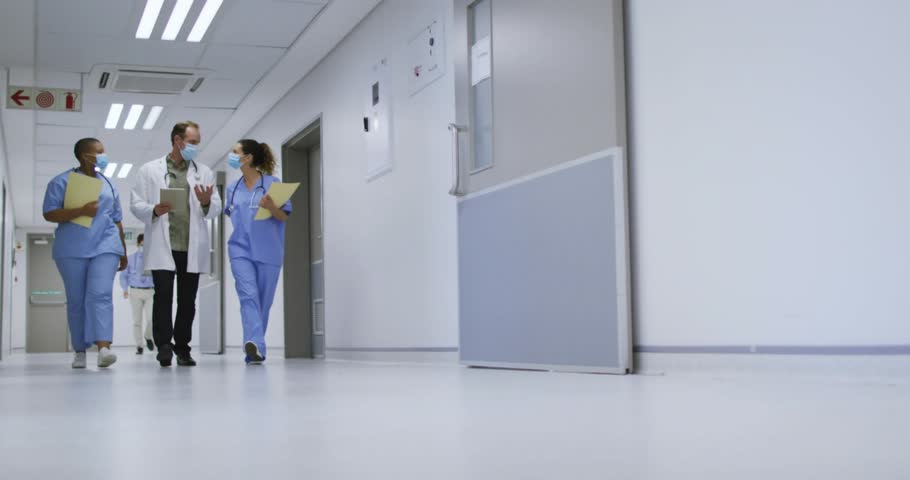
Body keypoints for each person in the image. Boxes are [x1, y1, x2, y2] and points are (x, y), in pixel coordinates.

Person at [130, 121, 222, 367]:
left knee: (187, 301)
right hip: (164, 245)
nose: (195, 147)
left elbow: (215, 207)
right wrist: (154, 209)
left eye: (197, 143)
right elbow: (135, 203)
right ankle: (163, 346)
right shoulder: (149, 170)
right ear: (177, 140)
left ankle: (183, 348)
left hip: (191, 246)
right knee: (163, 298)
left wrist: (205, 202)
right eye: (192, 142)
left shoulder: (204, 172)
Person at [42, 138, 128, 369]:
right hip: (72, 249)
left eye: (103, 152)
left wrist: (122, 250)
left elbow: (117, 219)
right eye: (98, 153)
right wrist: (80, 211)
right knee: (77, 301)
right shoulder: (61, 182)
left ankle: (103, 349)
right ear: (84, 156)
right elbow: (49, 214)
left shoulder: (109, 184)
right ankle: (80, 350)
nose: (103, 156)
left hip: (106, 245)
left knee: (100, 295)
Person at [224, 139, 291, 364]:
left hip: (269, 250)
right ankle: (255, 344)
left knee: (263, 301)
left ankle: (254, 348)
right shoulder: (233, 188)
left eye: (236, 152)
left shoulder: (273, 183)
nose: (232, 156)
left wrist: (272, 207)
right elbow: (230, 213)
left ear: (248, 157)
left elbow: (284, 216)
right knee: (248, 296)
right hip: (240, 249)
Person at [119, 234, 155, 355]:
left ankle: (148, 336)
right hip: (135, 291)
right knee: (137, 321)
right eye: (142, 244)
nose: (144, 246)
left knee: (151, 318)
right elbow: (123, 276)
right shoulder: (130, 259)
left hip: (150, 291)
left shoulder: (153, 260)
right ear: (138, 244)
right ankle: (139, 346)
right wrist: (124, 289)